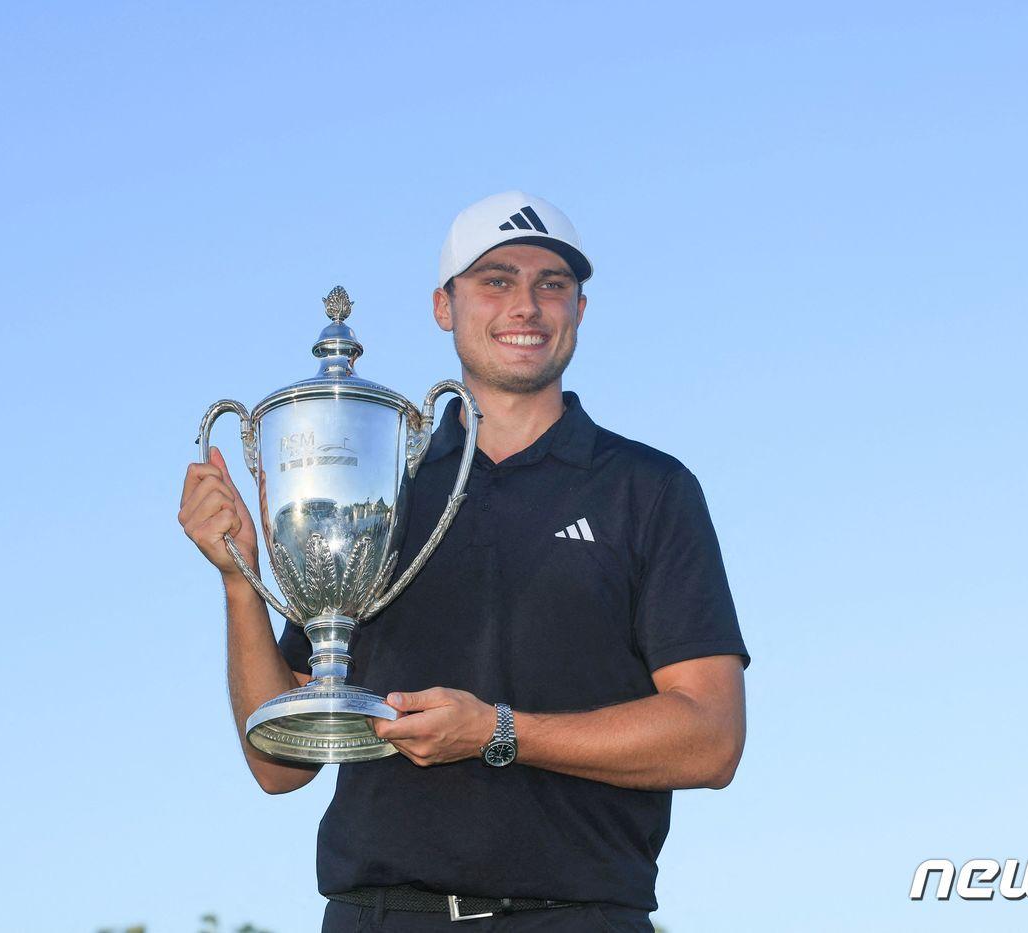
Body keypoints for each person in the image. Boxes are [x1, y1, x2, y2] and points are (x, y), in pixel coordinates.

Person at [179, 191, 750, 931]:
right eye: (496, 280)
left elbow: (711, 738)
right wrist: (239, 581)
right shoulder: (379, 486)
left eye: (552, 284)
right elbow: (279, 763)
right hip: (381, 914)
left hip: (581, 917)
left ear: (580, 308)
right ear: (443, 306)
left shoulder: (649, 488)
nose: (527, 305)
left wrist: (496, 732)